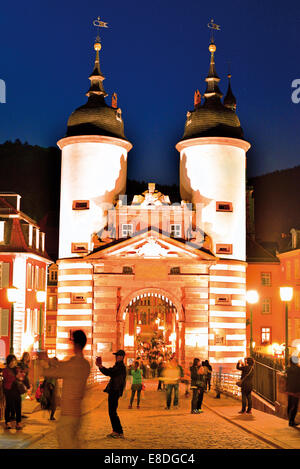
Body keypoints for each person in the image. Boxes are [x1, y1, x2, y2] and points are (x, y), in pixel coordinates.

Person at [41, 330, 90, 448]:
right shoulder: (85, 364)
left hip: (68, 414)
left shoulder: (74, 365)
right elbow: (64, 366)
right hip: (77, 413)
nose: (70, 344)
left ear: (76, 344)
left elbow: (56, 371)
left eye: (71, 341)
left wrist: (38, 368)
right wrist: (49, 360)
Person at [97, 349, 127, 439]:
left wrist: (101, 366)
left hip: (115, 390)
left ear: (121, 357)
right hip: (115, 390)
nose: (116, 357)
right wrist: (101, 367)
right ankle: (117, 431)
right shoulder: (118, 366)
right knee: (112, 412)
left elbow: (110, 372)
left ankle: (118, 431)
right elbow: (110, 372)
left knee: (112, 412)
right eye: (116, 355)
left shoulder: (120, 366)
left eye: (117, 356)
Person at [2, 354, 26, 430]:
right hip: (8, 390)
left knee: (18, 406)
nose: (13, 362)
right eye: (12, 361)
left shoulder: (17, 369)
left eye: (14, 360)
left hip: (17, 390)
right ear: (9, 362)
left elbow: (22, 377)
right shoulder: (5, 370)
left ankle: (18, 423)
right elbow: (7, 379)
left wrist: (21, 375)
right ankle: (7, 422)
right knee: (8, 406)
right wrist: (15, 377)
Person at [286, 356, 300, 427]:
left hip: (289, 389)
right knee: (295, 406)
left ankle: (290, 419)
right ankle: (292, 421)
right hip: (296, 390)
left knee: (290, 405)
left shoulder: (288, 369)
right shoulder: (298, 369)